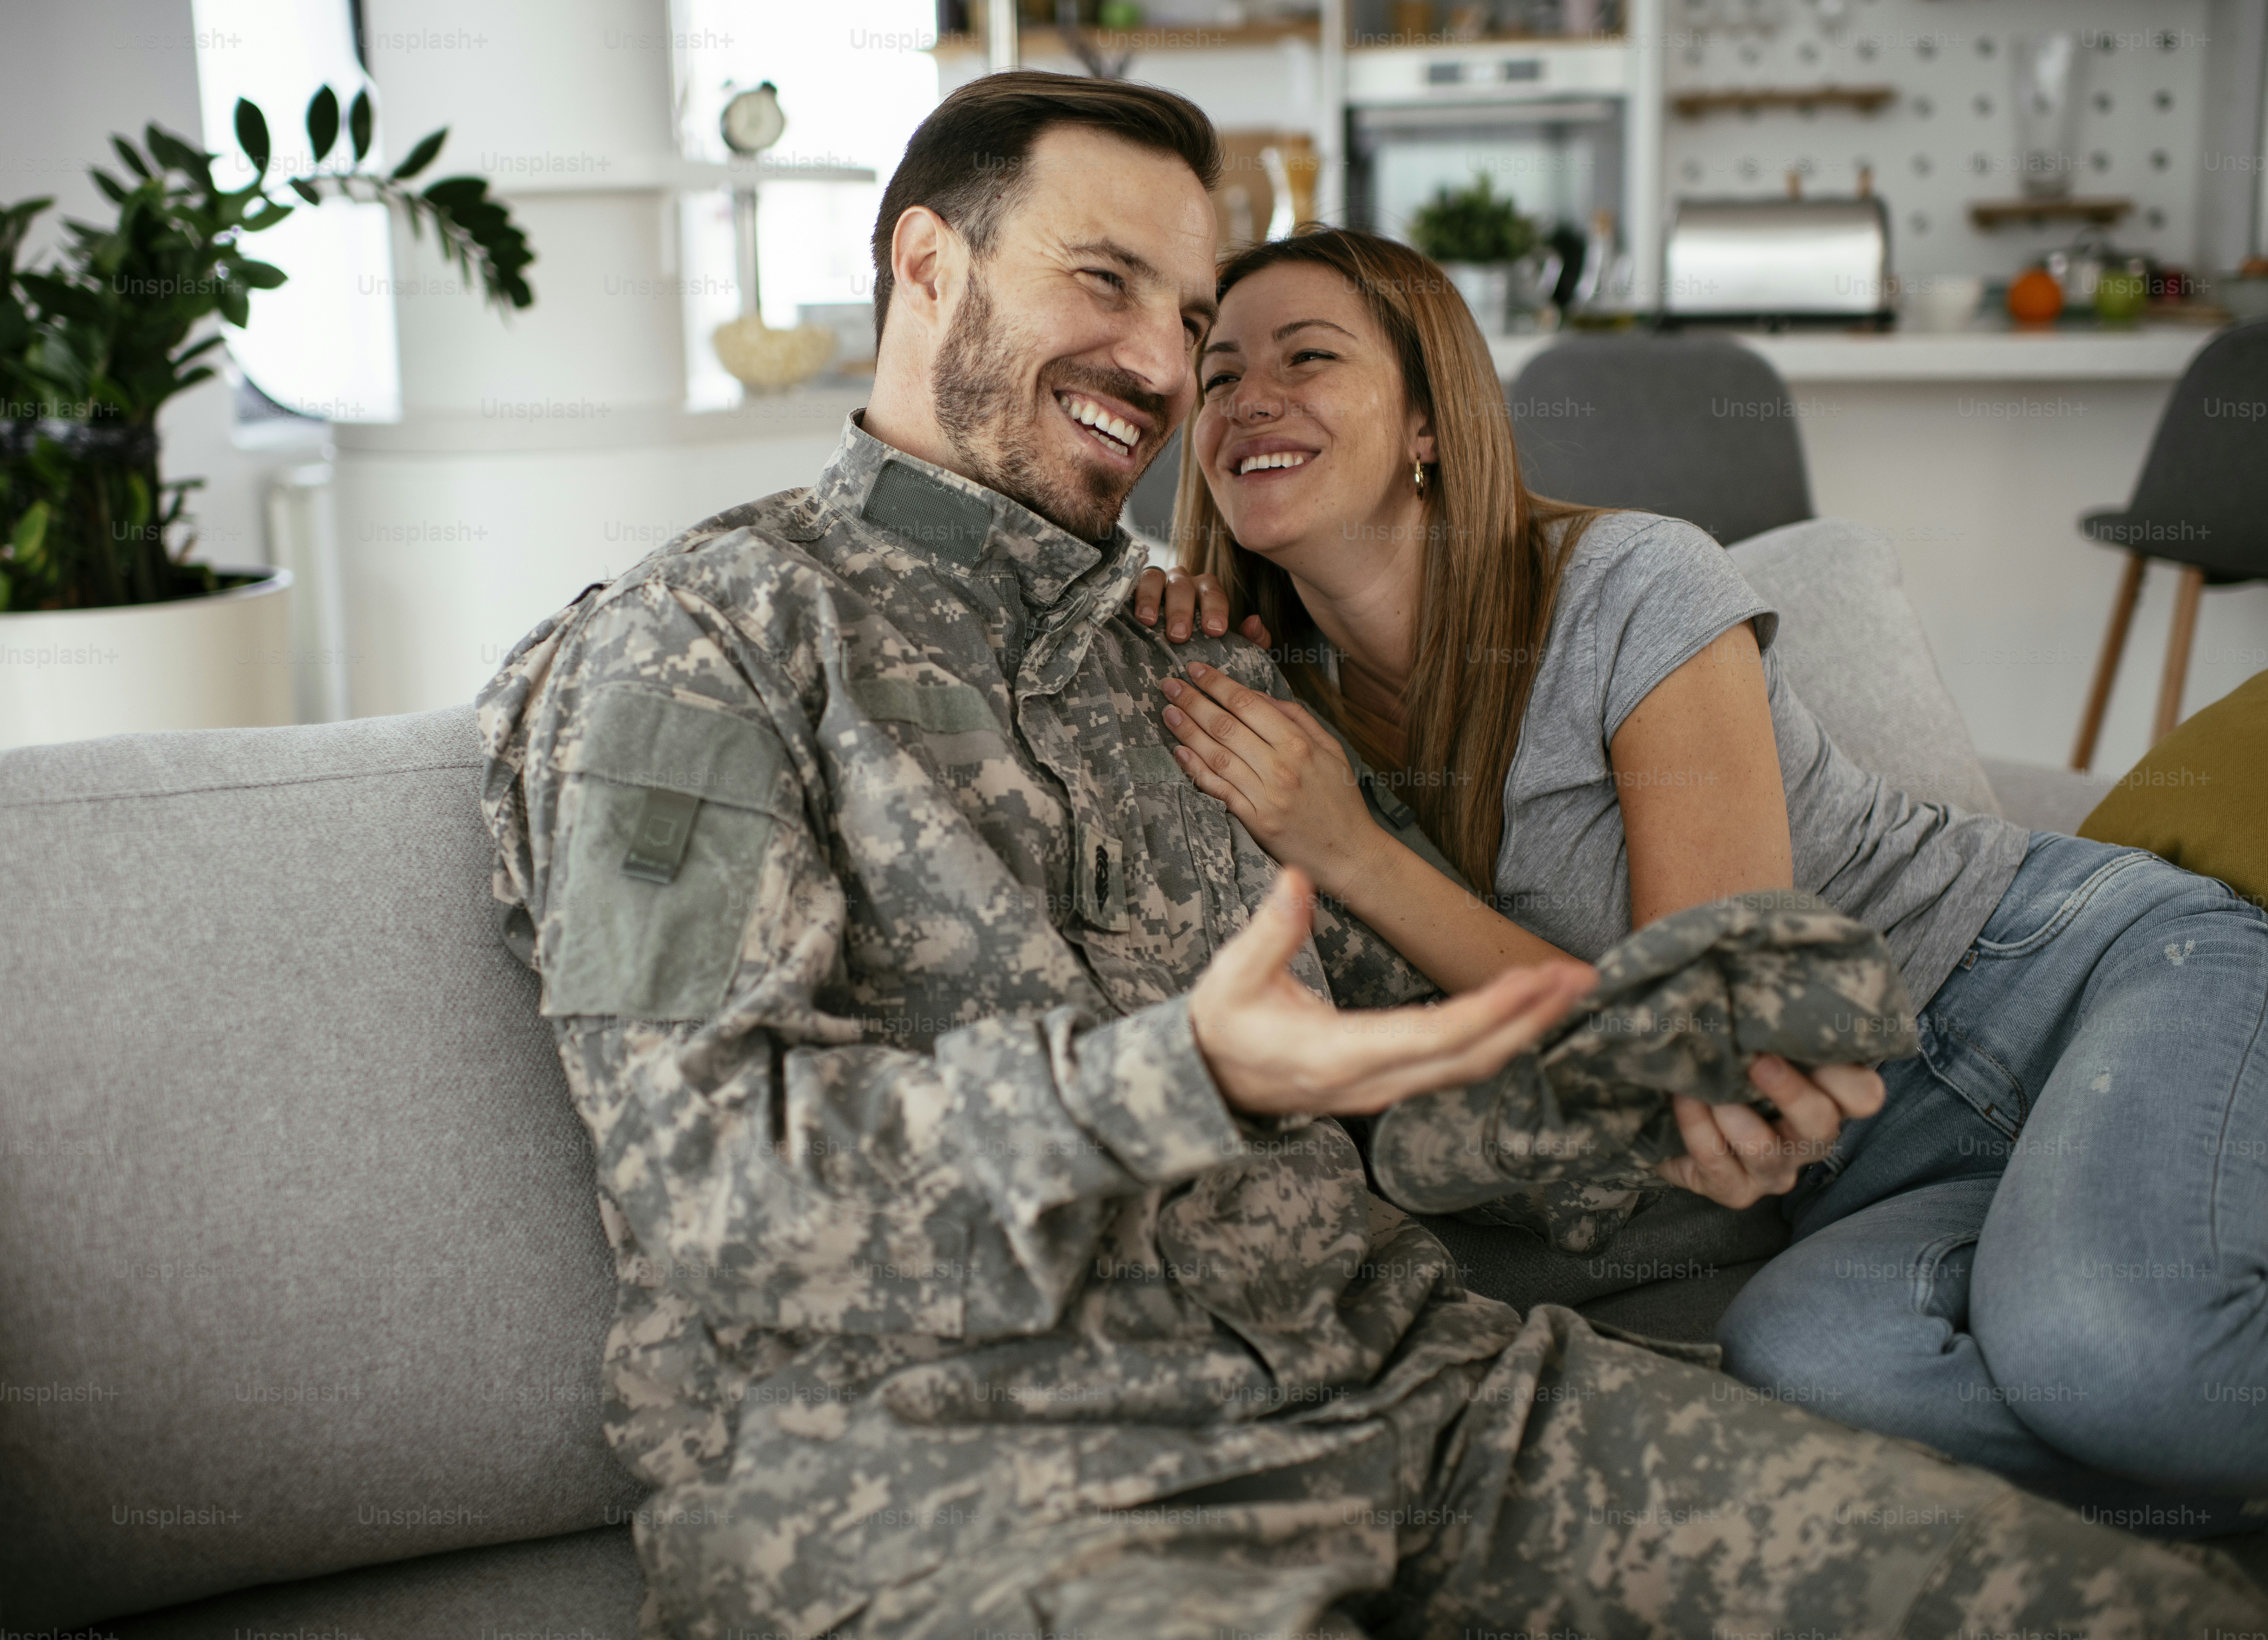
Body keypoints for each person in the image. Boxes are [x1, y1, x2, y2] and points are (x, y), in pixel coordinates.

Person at [477, 72, 2267, 1638]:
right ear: (926, 267)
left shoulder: (1192, 661)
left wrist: (1648, 1088)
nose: (1170, 370)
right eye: (1108, 284)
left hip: (1414, 1401)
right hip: (961, 1475)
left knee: (2124, 1610)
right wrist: (1168, 1079)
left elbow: (1407, 1097)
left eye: (1192, 315)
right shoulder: (695, 650)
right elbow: (720, 1189)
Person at [1137, 223, 2268, 1535]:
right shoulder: (1281, 710)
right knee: (1814, 1370)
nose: (1246, 397)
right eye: (1217, 376)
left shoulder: (1629, 582)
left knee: (2114, 1347)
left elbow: (1715, 1022)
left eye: (1308, 356)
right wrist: (1155, 618)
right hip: (1868, 1163)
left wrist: (1355, 852)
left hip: (2077, 976)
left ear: (1430, 423)